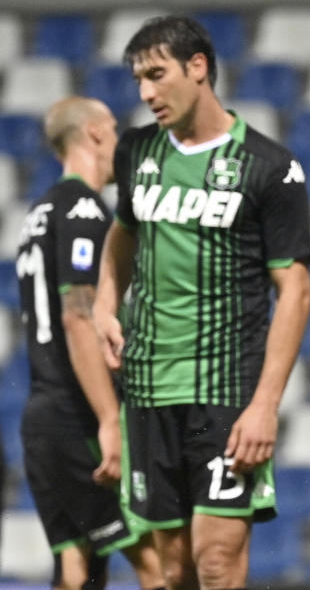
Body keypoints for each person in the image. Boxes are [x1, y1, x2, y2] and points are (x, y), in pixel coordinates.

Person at [92, 16, 310, 590]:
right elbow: (124, 229)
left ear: (198, 68)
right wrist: (103, 304)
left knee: (216, 562)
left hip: (225, 393)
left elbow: (296, 289)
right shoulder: (136, 150)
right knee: (172, 570)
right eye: (139, 79)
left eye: (156, 75)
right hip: (147, 388)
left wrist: (265, 404)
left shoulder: (269, 166)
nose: (145, 93)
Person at [17, 96, 163, 590]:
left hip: (42, 417)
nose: (120, 142)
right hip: (78, 414)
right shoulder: (82, 210)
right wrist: (107, 419)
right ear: (97, 133)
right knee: (158, 567)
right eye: (116, 130)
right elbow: (78, 317)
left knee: (78, 571)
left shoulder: (39, 212)